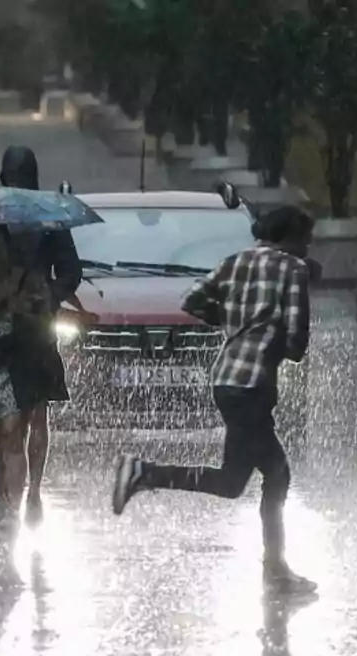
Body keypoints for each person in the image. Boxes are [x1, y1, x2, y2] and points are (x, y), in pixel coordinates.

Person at [110, 205, 317, 596]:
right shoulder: (293, 269)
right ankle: (142, 472)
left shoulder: (232, 262)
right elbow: (296, 344)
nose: (308, 248)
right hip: (252, 385)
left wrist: (233, 323)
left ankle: (275, 569)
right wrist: (270, 333)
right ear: (291, 237)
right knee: (271, 475)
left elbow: (191, 301)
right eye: (306, 240)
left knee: (239, 481)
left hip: (225, 379)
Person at [0, 211, 80, 542]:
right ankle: (0, 498)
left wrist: (33, 301)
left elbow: (47, 300)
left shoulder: (24, 272)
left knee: (13, 438)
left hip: (14, 365)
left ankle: (13, 507)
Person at [0, 145, 84, 523]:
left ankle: (31, 491)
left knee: (34, 414)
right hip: (6, 327)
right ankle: (19, 493)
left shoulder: (46, 221)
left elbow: (70, 271)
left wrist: (48, 294)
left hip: (34, 327)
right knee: (17, 415)